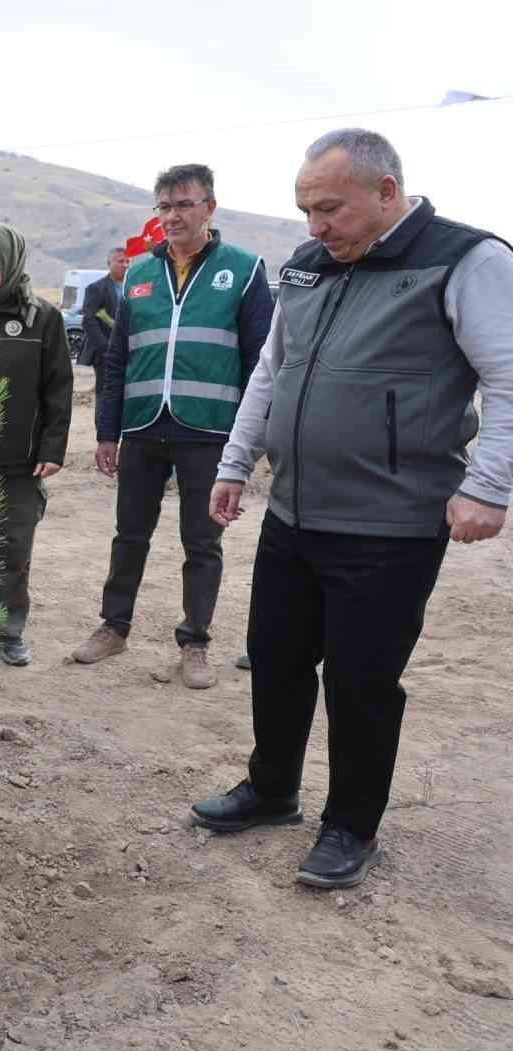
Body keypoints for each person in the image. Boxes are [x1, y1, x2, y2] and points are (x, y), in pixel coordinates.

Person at [192, 129, 513, 889]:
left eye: (329, 209)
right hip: (295, 511)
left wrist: (489, 486)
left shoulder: (466, 260)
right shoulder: (307, 268)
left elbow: (508, 378)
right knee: (274, 659)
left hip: (391, 523)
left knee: (361, 683)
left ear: (386, 193)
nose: (315, 228)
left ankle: (351, 826)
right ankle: (272, 791)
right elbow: (272, 373)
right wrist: (236, 463)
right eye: (306, 211)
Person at [72, 164, 273, 689]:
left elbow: (262, 365)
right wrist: (106, 432)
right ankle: (113, 628)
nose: (173, 216)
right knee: (129, 534)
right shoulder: (137, 275)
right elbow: (116, 362)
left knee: (202, 543)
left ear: (210, 206)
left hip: (209, 433)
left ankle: (195, 643)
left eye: (184, 204)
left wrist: (248, 443)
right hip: (141, 428)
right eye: (164, 206)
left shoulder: (245, 270)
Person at [0, 224, 73, 665]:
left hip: (19, 462)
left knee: (12, 549)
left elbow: (58, 388)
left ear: (10, 265)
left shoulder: (42, 318)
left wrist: (51, 448)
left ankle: (8, 631)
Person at [79, 248, 129, 403]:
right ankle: (103, 427)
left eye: (128, 261)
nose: (125, 265)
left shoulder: (133, 288)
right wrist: (107, 350)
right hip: (105, 355)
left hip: (128, 353)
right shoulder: (96, 288)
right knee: (106, 395)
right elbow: (89, 321)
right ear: (109, 263)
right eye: (121, 261)